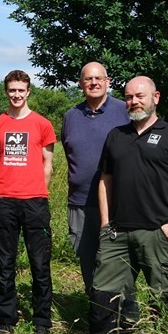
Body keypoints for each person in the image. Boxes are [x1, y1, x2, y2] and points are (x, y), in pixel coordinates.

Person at [66, 76, 168, 334]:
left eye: (140, 96)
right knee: (103, 291)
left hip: (158, 232)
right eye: (128, 97)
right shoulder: (117, 135)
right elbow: (105, 180)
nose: (134, 102)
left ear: (156, 97)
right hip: (117, 232)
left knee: (167, 295)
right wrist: (105, 223)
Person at [0, 69, 56, 334]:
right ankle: (6, 320)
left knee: (40, 263)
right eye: (12, 90)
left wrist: (39, 191)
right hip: (4, 200)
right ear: (7, 92)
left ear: (28, 92)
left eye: (20, 90)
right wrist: (3, 188)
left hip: (35, 201)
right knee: (4, 262)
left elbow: (48, 163)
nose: (16, 94)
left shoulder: (42, 124)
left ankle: (41, 321)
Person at [61, 62, 129, 293]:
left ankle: (123, 315)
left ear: (108, 81)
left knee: (117, 260)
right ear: (81, 84)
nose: (94, 83)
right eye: (88, 79)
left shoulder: (124, 111)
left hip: (117, 201)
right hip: (80, 202)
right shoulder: (71, 116)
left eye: (99, 78)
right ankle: (96, 310)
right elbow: (70, 153)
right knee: (86, 258)